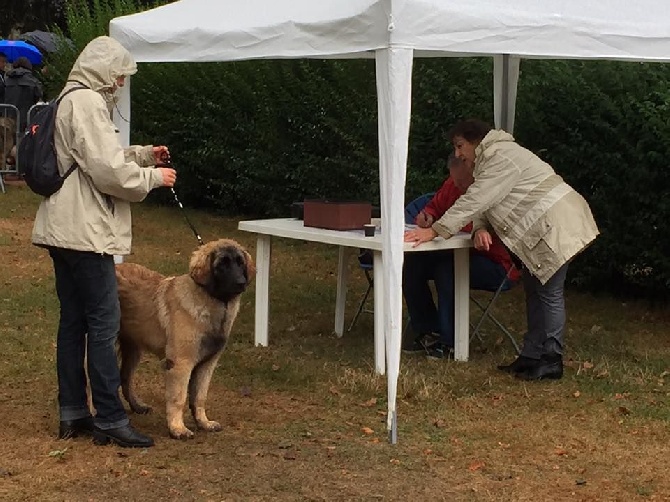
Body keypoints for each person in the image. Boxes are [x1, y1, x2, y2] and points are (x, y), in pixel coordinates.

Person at [31, 36, 177, 447]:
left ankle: (73, 412)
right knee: (103, 322)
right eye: (118, 75)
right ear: (103, 70)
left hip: (63, 229)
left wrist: (144, 155)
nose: (120, 83)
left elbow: (93, 158)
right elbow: (107, 172)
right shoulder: (88, 103)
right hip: (84, 232)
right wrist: (153, 178)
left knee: (73, 322)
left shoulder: (68, 97)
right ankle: (110, 418)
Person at [405, 119, 599, 380]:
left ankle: (552, 359)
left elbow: (477, 198)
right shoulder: (492, 159)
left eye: (460, 146)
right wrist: (477, 228)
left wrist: (437, 230)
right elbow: (488, 202)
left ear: (475, 140)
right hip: (543, 227)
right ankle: (531, 355)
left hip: (557, 225)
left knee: (549, 293)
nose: (458, 154)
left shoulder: (500, 157)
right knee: (535, 290)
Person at [403, 154, 519, 359]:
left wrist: (445, 228)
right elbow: (434, 207)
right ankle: (428, 330)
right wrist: (427, 216)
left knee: (448, 269)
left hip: (497, 265)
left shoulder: (488, 189)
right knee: (412, 263)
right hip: (454, 254)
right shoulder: (453, 184)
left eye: (463, 183)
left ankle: (451, 342)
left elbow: (474, 225)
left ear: (474, 174)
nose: (459, 187)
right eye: (455, 182)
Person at [3, 56, 43, 132]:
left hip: (8, 115)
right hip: (27, 115)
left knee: (8, 138)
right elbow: (38, 95)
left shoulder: (6, 80)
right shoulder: (33, 81)